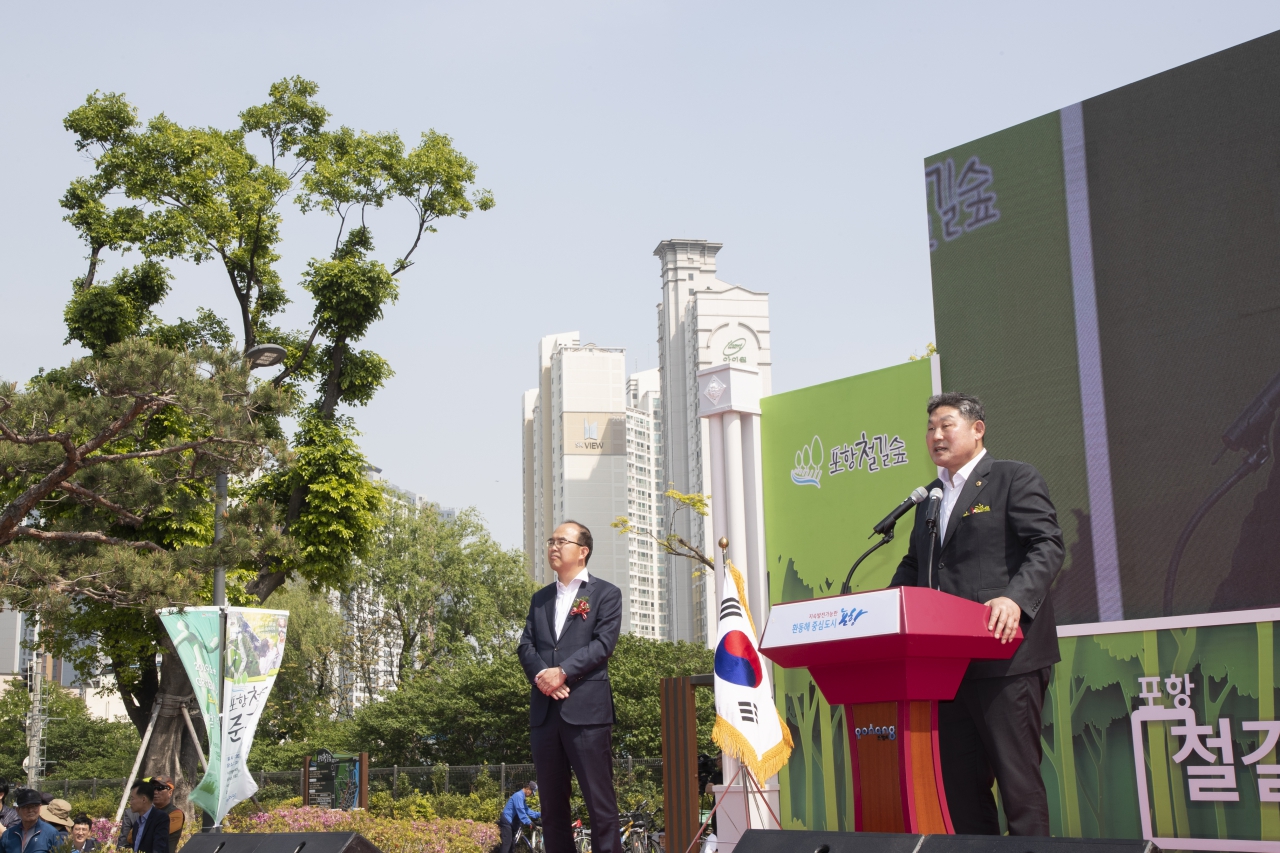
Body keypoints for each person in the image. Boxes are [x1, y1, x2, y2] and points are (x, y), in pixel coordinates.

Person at [889, 392, 1063, 836]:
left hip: (1004, 656)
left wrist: (1014, 598)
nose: (935, 436)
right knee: (959, 789)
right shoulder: (929, 497)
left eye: (946, 425)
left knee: (1017, 784)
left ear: (977, 429)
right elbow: (915, 565)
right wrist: (884, 608)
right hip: (946, 667)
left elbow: (1046, 545)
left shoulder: (1012, 478)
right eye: (930, 428)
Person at [517, 521, 623, 853]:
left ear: (583, 550)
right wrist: (543, 678)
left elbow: (603, 645)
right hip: (546, 715)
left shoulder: (606, 594)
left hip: (588, 713)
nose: (553, 546)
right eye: (551, 540)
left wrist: (562, 672)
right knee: (551, 806)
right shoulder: (540, 599)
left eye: (561, 540)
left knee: (600, 802)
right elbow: (526, 647)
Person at [0, 788, 60, 853]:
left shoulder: (51, 833)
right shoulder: (8, 835)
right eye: (26, 807)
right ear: (17, 810)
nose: (30, 810)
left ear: (40, 807)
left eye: (34, 806)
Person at [119, 781, 169, 853]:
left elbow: (158, 849)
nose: (130, 802)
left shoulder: (160, 818)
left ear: (143, 799)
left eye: (132, 798)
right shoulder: (137, 824)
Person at [497, 781, 540, 853]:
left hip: (510, 822)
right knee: (507, 844)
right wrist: (529, 822)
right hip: (506, 821)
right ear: (528, 789)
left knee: (512, 845)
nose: (531, 795)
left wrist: (542, 814)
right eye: (531, 792)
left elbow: (528, 811)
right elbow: (521, 812)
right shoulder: (518, 796)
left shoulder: (522, 798)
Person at [143, 778, 183, 852]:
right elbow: (130, 837)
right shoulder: (148, 812)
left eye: (160, 788)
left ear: (170, 792)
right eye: (153, 788)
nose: (155, 792)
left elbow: (153, 834)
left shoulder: (176, 813)